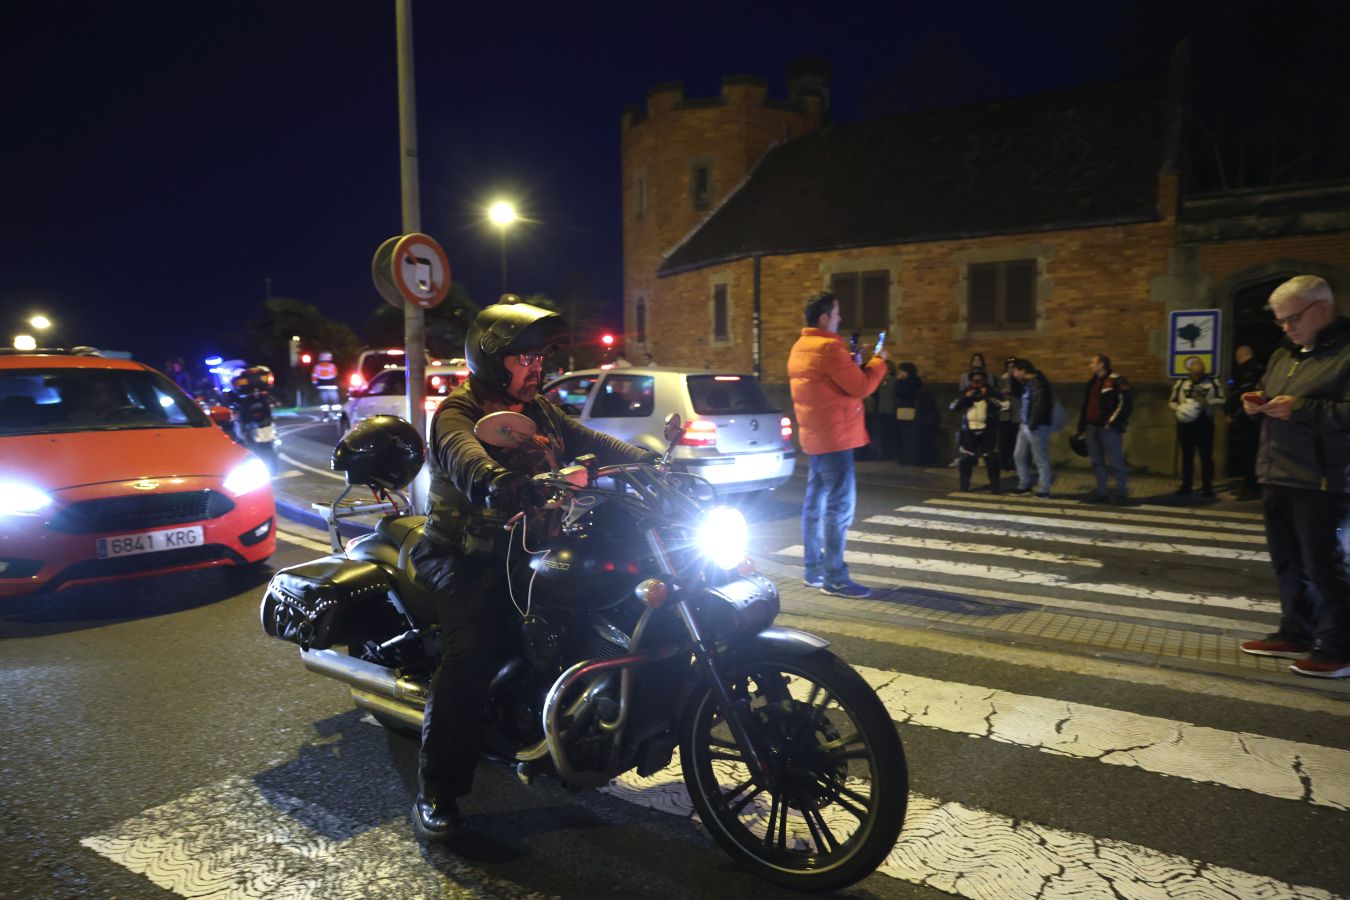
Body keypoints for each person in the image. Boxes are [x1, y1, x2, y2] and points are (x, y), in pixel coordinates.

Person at [409, 300, 655, 840]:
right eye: (525, 357)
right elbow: (463, 455)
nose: (537, 368)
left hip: (530, 547)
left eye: (540, 356)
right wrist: (495, 479)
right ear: (494, 360)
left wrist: (645, 461)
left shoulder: (541, 410)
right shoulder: (456, 411)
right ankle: (438, 789)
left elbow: (590, 441)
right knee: (472, 651)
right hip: (463, 552)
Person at [1238, 275, 1350, 679]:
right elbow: (1273, 396)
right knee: (1287, 562)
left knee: (1324, 566)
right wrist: (1257, 403)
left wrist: (1300, 408)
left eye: (1292, 318)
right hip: (1277, 471)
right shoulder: (1285, 354)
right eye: (1281, 321)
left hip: (1322, 479)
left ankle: (1339, 647)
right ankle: (1297, 631)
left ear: (1322, 308)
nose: (1286, 328)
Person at [788, 291, 887, 599]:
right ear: (824, 318)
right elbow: (860, 387)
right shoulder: (829, 348)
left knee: (814, 506)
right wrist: (879, 362)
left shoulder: (801, 346)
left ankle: (812, 570)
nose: (840, 319)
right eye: (837, 313)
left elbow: (831, 383)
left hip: (816, 438)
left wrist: (853, 362)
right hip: (836, 438)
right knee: (839, 508)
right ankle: (836, 577)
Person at [1076, 354, 1133, 504]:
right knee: (1097, 461)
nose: (1090, 365)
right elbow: (1086, 406)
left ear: (1101, 364)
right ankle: (1102, 492)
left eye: (1092, 362)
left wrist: (1112, 422)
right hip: (1092, 427)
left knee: (1115, 460)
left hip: (1108, 428)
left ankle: (1122, 492)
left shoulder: (1116, 380)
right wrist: (1082, 427)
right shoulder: (1092, 382)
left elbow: (1126, 404)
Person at [1169, 355, 1225, 496]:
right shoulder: (1181, 383)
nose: (1196, 377)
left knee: (1206, 456)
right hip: (1186, 424)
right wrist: (1181, 408)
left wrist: (1208, 403)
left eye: (1199, 374)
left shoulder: (1213, 383)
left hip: (1205, 423)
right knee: (1187, 456)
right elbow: (1171, 401)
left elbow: (1223, 400)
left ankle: (1207, 486)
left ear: (1203, 371)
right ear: (1190, 371)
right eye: (1194, 374)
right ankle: (1186, 485)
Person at [949, 369, 1002, 492]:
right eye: (974, 380)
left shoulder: (991, 392)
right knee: (966, 458)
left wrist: (986, 396)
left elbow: (999, 406)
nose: (977, 383)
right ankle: (964, 485)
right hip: (969, 430)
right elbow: (953, 407)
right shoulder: (965, 392)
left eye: (979, 380)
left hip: (987, 429)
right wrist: (966, 398)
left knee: (990, 457)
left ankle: (994, 485)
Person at [1009, 358, 1055, 498]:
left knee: (1040, 458)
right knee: (1018, 454)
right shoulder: (1027, 383)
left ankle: (1044, 489)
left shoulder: (1039, 383)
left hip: (1036, 425)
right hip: (1025, 424)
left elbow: (1040, 406)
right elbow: (1016, 393)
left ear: (1023, 370)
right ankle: (1024, 484)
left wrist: (1032, 424)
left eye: (1016, 371)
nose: (1014, 374)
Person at [1225, 345, 1265, 500]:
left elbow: (1243, 395)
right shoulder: (1260, 369)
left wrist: (1233, 414)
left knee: (1250, 454)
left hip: (1248, 418)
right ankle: (1249, 486)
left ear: (1240, 356)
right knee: (1251, 453)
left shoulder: (1247, 372)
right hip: (1253, 418)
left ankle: (1251, 488)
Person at [998, 356, 1020, 472]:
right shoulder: (1002, 379)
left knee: (1014, 440)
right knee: (1004, 440)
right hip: (1004, 413)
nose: (1010, 369)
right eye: (1009, 367)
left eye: (1013, 367)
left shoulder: (1018, 379)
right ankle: (1004, 463)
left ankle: (1013, 463)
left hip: (1015, 414)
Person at [311, 351, 340, 421]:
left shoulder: (317, 367)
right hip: (332, 387)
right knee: (335, 402)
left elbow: (314, 376)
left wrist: (315, 384)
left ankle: (326, 416)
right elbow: (335, 375)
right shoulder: (332, 366)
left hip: (322, 387)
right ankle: (336, 415)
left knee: (324, 403)